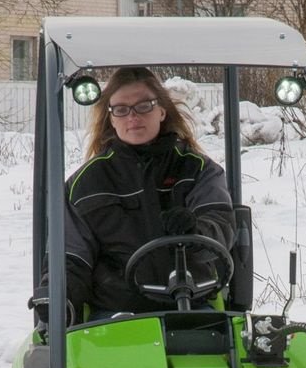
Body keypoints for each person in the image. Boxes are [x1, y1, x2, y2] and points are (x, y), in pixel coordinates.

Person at [40, 67, 236, 322]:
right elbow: (71, 255)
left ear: (162, 110)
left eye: (144, 106)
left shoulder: (197, 170)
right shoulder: (86, 184)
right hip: (115, 315)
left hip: (190, 306)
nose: (133, 116)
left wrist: (195, 231)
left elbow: (220, 224)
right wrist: (60, 297)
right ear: (111, 118)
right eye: (121, 109)